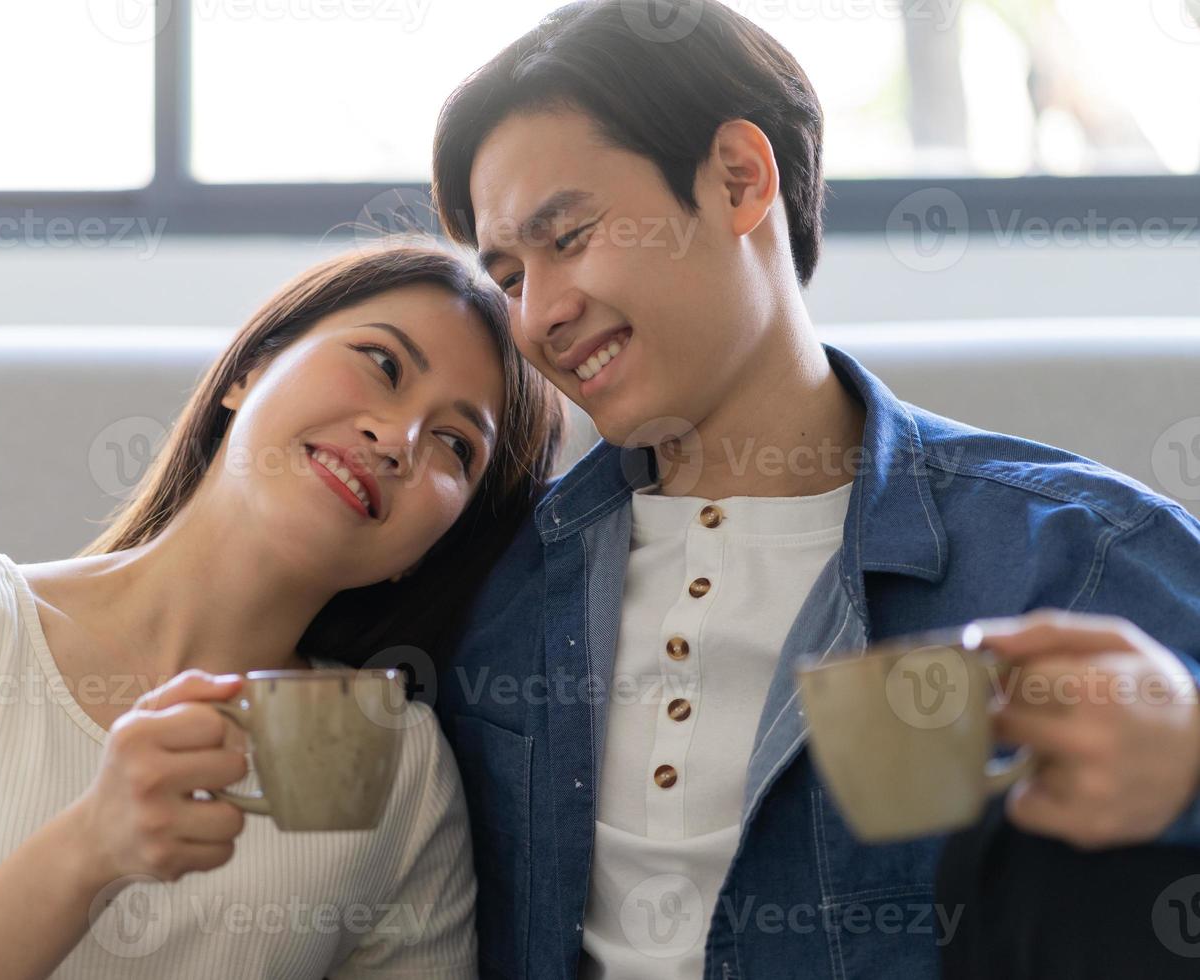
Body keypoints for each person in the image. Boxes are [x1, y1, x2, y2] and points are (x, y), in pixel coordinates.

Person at [428, 2, 1200, 977]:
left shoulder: (1074, 551)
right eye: (507, 274)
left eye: (571, 235)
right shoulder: (492, 579)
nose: (539, 314)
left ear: (740, 179)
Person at [0, 243, 565, 979]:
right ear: (250, 368)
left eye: (456, 446)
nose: (399, 437)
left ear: (434, 546)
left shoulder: (397, 764)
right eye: (382, 363)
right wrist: (90, 849)